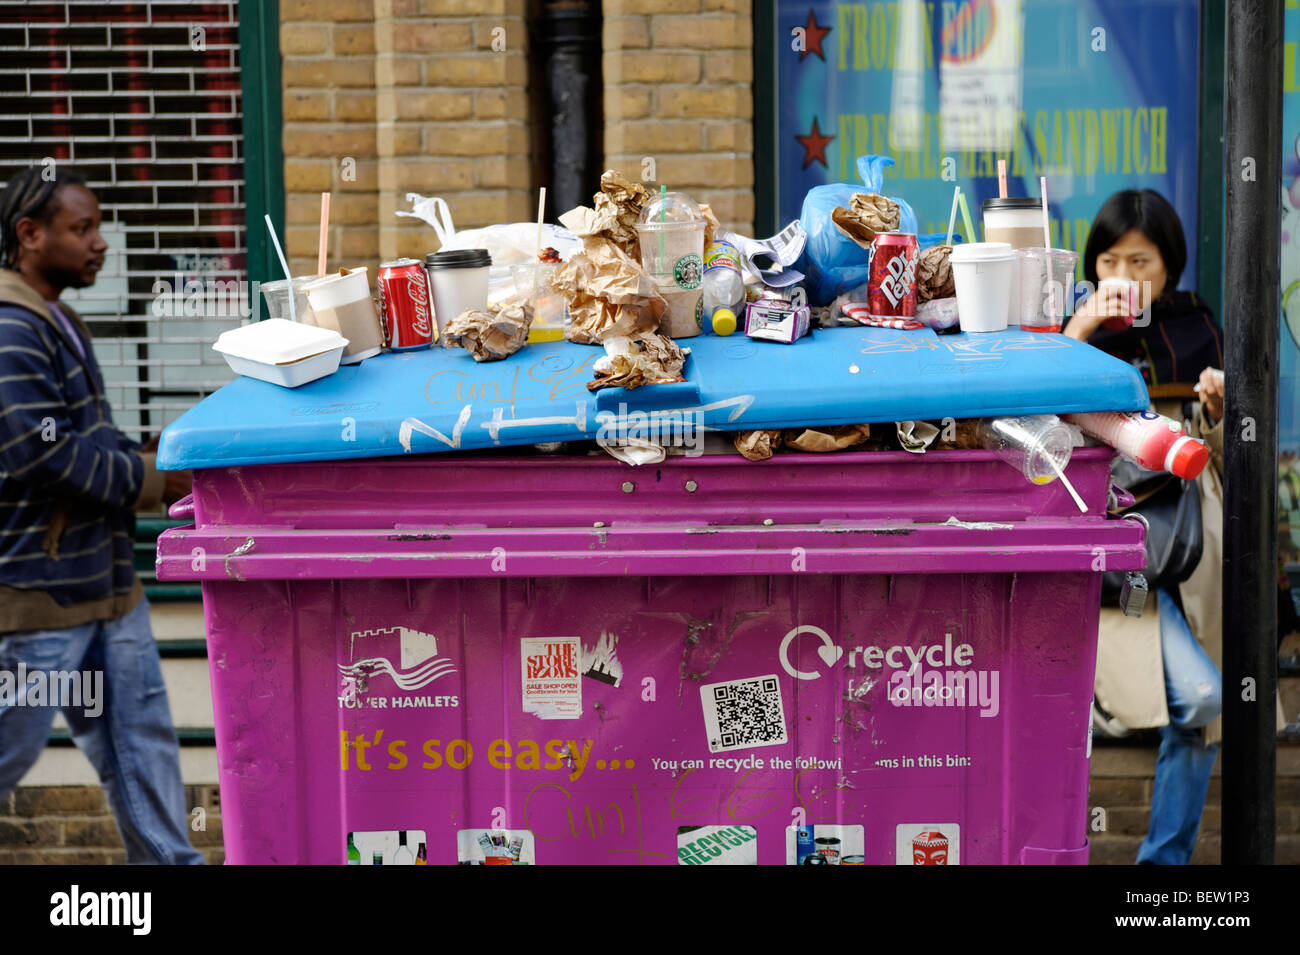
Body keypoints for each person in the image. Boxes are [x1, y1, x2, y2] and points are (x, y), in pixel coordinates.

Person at [1065, 189, 1283, 864]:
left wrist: (1215, 411)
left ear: (1171, 266)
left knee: (1203, 708)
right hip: (1112, 550)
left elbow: (1224, 455)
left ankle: (1162, 871)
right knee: (1200, 695)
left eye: (1142, 261)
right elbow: (1037, 421)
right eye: (1110, 260)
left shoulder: (1198, 327)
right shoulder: (1067, 327)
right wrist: (1080, 328)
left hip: (1185, 550)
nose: (1125, 277)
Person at [0, 166, 202, 864]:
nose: (100, 243)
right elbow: (43, 453)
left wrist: (145, 456)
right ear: (30, 235)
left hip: (110, 595)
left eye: (98, 227)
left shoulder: (54, 316)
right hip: (39, 608)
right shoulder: (10, 328)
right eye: (81, 228)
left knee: (140, 751)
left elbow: (85, 439)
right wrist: (151, 477)